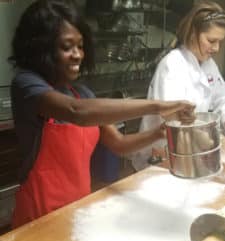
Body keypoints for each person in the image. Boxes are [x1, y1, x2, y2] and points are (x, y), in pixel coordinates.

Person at [9, 0, 194, 228]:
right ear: (41, 49)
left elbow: (119, 144)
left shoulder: (82, 93)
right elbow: (76, 112)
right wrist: (157, 106)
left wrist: (162, 131)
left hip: (76, 209)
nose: (78, 55)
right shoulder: (28, 85)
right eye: (67, 47)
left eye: (80, 46)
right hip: (37, 216)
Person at [132, 0, 225, 171]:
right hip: (162, 153)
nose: (216, 48)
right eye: (211, 41)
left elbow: (222, 100)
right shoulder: (172, 65)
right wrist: (209, 142)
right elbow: (174, 117)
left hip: (194, 149)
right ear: (193, 33)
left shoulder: (208, 65)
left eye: (220, 41)